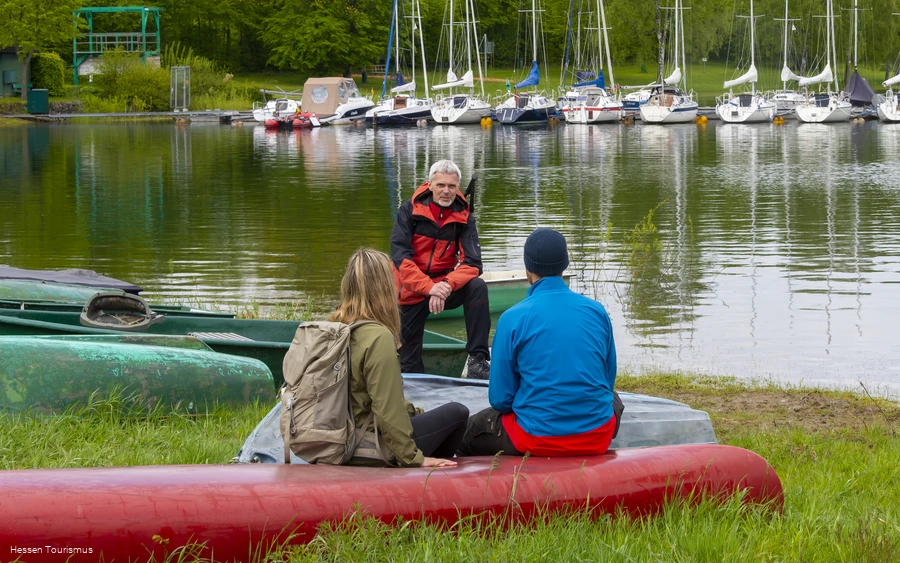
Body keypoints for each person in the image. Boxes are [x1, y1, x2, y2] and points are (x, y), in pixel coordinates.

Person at [457, 228, 621, 457]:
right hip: (598, 435)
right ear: (565, 265)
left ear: (527, 268)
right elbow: (607, 380)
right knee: (614, 399)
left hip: (536, 438)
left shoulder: (512, 318)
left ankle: (477, 477)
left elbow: (500, 400)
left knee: (470, 430)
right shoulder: (597, 311)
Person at [331, 248, 469, 467]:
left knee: (422, 416)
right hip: (366, 443)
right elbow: (387, 410)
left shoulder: (335, 327)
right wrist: (414, 459)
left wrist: (414, 413)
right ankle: (432, 475)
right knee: (457, 413)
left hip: (336, 436)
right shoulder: (378, 337)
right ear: (385, 287)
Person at [390, 159, 491, 380]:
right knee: (409, 366)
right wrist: (429, 287)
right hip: (411, 292)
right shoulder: (408, 211)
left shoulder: (464, 216)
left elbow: (473, 263)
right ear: (430, 185)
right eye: (441, 185)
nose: (446, 191)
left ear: (457, 187)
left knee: (477, 287)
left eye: (452, 186)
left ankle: (477, 361)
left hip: (444, 287)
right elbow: (400, 259)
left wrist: (445, 285)